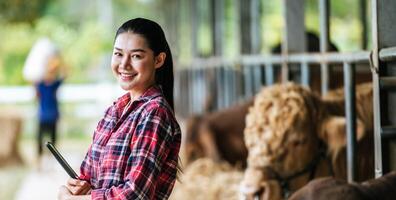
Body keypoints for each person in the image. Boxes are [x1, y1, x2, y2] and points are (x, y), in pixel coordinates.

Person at [58, 18, 182, 200]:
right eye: (118, 54)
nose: (124, 64)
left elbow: (137, 194)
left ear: (158, 60)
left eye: (136, 56)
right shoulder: (113, 112)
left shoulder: (154, 113)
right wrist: (77, 187)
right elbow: (89, 175)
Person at [36, 50, 65, 162]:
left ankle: (52, 160)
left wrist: (59, 61)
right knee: (39, 139)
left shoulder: (54, 85)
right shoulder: (40, 85)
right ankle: (39, 160)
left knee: (53, 140)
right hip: (43, 116)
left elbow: (64, 75)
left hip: (52, 115)